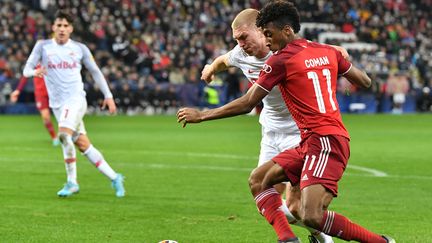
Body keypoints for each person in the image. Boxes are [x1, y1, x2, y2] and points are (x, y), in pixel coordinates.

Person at [177, 1, 394, 243]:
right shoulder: (324, 51)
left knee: (307, 213)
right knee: (259, 181)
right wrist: (210, 69)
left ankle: (379, 242)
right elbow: (364, 81)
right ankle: (288, 239)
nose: (266, 41)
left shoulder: (279, 59)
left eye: (268, 34)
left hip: (320, 139)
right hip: (293, 136)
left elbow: (248, 102)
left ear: (278, 30)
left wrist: (203, 115)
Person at [200, 8, 350, 243]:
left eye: (243, 37)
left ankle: (321, 237)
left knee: (295, 206)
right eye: (236, 40)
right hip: (270, 133)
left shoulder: (287, 50)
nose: (240, 44)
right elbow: (222, 61)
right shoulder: (241, 53)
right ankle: (300, 236)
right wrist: (210, 69)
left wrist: (341, 56)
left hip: (301, 133)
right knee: (265, 194)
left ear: (262, 31)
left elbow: (330, 52)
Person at [23, 10, 125, 198]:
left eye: (65, 26)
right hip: (57, 105)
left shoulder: (80, 48)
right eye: (59, 25)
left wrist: (108, 95)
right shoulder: (42, 47)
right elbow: (26, 69)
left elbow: (95, 72)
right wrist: (33, 73)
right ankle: (115, 177)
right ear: (53, 27)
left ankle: (72, 182)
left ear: (71, 29)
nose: (62, 29)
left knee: (63, 135)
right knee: (83, 145)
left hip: (76, 99)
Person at [10, 70, 60, 146]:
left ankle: (65, 135)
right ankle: (54, 138)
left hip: (54, 91)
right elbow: (26, 74)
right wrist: (18, 90)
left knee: (61, 116)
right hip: (40, 93)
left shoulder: (54, 59)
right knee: (45, 117)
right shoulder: (35, 59)